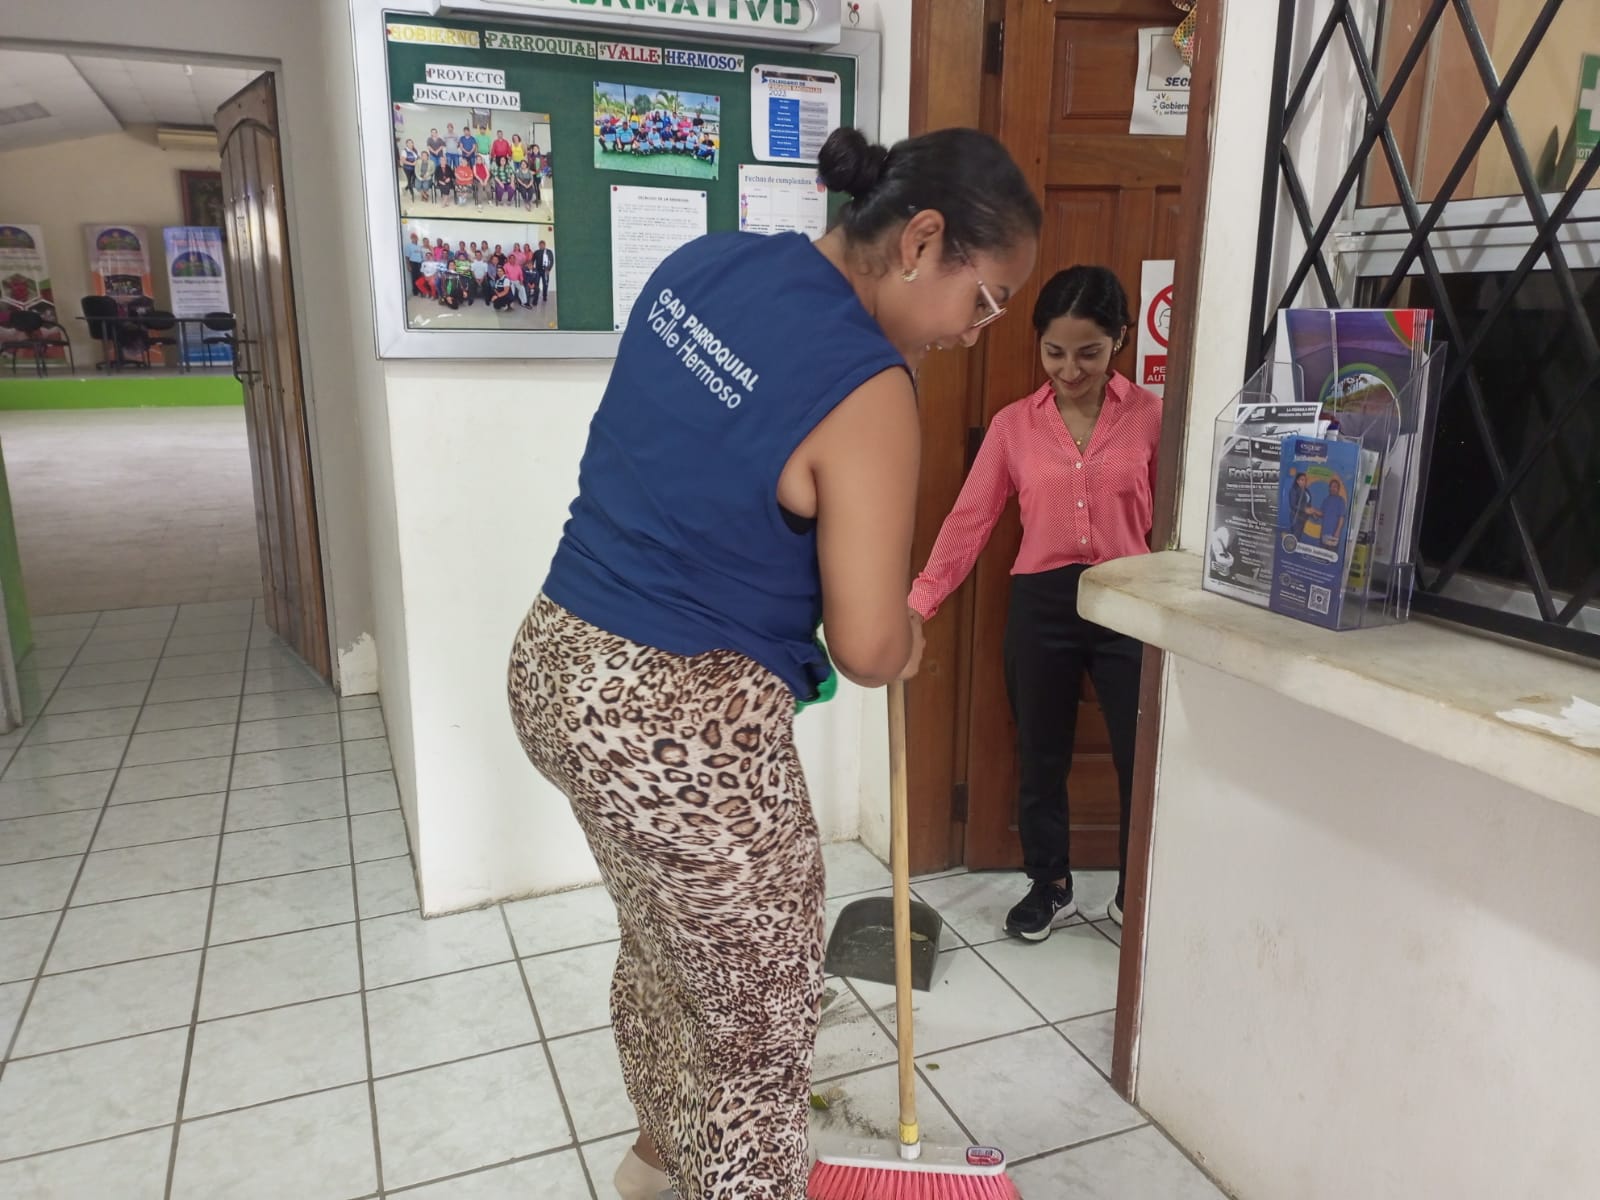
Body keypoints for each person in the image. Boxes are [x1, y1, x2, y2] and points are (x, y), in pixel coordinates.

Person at [506, 126, 1039, 1200]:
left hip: (557, 667)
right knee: (761, 1026)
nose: (973, 334)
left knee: (664, 948)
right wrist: (909, 637)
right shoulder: (869, 386)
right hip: (677, 724)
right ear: (920, 241)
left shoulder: (707, 262)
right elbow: (867, 644)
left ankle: (658, 1157)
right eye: (983, 301)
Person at [909, 265, 1161, 940]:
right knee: (1041, 754)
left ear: (1119, 340)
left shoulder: (1151, 415)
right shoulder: (1013, 426)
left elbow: (1177, 515)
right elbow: (971, 518)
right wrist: (920, 601)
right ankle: (1049, 883)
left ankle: (1137, 888)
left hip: (1129, 602)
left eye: (1089, 353)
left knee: (1142, 755)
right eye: (1055, 352)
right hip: (1042, 604)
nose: (1070, 370)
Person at [531, 240, 553, 304]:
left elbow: (551, 261)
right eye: (540, 245)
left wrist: (549, 269)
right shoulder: (536, 252)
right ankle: (536, 298)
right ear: (539, 245)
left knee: (545, 284)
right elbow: (532, 260)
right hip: (537, 271)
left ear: (544, 245)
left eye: (542, 245)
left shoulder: (549, 252)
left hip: (545, 271)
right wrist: (532, 269)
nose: (541, 246)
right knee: (536, 284)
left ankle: (544, 296)